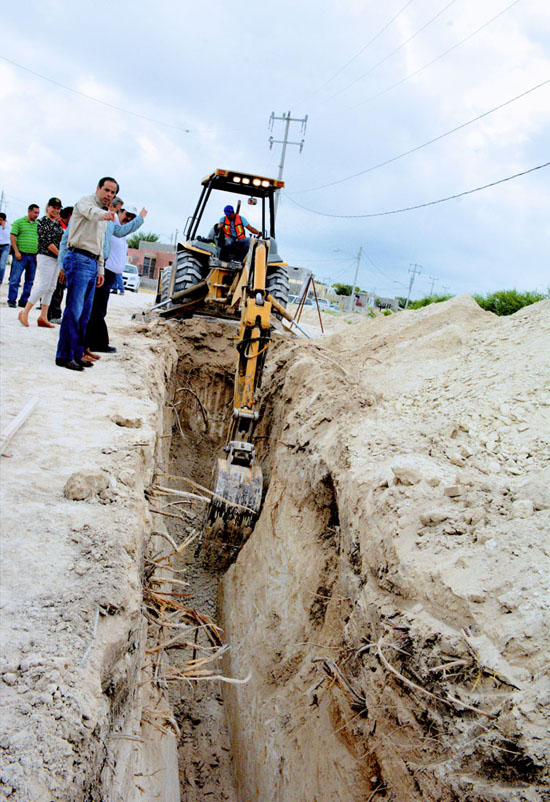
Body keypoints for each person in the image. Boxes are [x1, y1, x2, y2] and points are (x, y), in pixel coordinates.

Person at [55, 177, 118, 372]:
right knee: (74, 310)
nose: (109, 195)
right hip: (78, 258)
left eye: (113, 193)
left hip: (92, 262)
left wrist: (100, 269)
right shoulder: (85, 203)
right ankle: (64, 355)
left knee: (85, 314)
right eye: (106, 190)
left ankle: (77, 353)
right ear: (98, 188)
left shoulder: (104, 216)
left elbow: (100, 243)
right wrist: (105, 215)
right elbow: (92, 214)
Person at [83, 202, 146, 359]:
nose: (128, 219)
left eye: (131, 217)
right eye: (127, 215)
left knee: (98, 308)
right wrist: (140, 219)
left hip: (110, 274)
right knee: (97, 308)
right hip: (105, 271)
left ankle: (94, 341)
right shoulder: (112, 224)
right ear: (120, 211)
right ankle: (97, 342)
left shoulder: (119, 230)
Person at [18, 198, 63, 328]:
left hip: (56, 259)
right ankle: (25, 311)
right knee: (43, 285)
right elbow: (47, 242)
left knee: (51, 287)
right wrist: (60, 254)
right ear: (48, 207)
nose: (55, 210)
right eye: (53, 207)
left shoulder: (57, 223)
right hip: (46, 256)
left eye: (58, 208)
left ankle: (43, 316)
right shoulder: (42, 222)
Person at [8, 204, 40, 308]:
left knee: (30, 280)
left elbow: (41, 240)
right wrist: (16, 252)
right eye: (35, 212)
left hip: (33, 256)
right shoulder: (19, 222)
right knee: (15, 279)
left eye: (38, 213)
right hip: (21, 255)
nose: (37, 215)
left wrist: (37, 254)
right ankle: (12, 300)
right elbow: (12, 236)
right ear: (29, 211)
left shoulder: (38, 225)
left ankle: (24, 301)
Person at [48, 206, 73, 323]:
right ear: (69, 216)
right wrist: (61, 257)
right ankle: (54, 314)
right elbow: (51, 243)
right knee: (56, 288)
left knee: (59, 288)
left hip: (65, 260)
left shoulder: (70, 227)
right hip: (56, 260)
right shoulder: (57, 225)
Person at [0, 213, 11, 284]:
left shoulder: (8, 226)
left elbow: (7, 236)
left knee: (2, 264)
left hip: (5, 246)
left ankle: (0, 279)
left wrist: (3, 227)